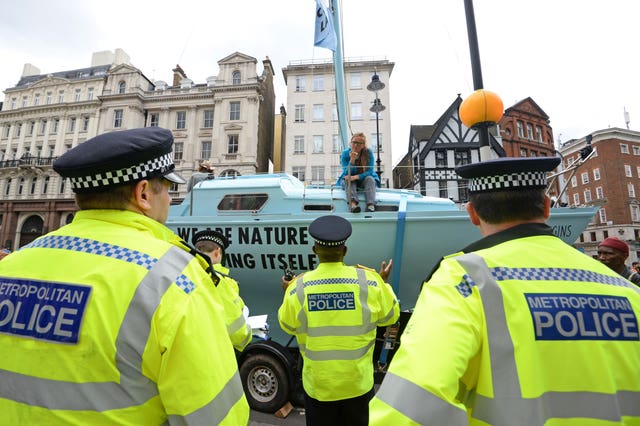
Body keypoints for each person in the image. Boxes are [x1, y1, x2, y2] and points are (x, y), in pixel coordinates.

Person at [0, 127, 249, 424]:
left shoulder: (11, 266)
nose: (170, 200)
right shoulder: (173, 279)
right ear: (143, 193)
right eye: (167, 189)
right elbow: (217, 417)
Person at [369, 157, 640, 425]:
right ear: (547, 207)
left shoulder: (464, 280)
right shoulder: (629, 292)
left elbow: (408, 410)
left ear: (472, 213)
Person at [278, 215, 399, 426]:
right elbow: (391, 316)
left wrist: (287, 291)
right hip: (358, 386)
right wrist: (382, 283)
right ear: (344, 251)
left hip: (319, 389)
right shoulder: (369, 282)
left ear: (315, 250)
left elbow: (287, 325)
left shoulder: (298, 288)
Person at [193, 229, 252, 351]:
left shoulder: (186, 274)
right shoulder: (220, 282)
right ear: (218, 252)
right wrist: (248, 335)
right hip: (214, 351)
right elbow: (238, 334)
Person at [337, 133, 380, 213]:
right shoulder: (345, 153)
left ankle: (370, 205)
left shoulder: (368, 153)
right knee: (349, 179)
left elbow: (370, 171)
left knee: (370, 179)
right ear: (351, 142)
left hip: (364, 180)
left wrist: (356, 177)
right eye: (354, 142)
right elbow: (346, 172)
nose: (355, 145)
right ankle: (353, 205)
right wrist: (352, 160)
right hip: (350, 180)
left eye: (359, 143)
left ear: (363, 145)